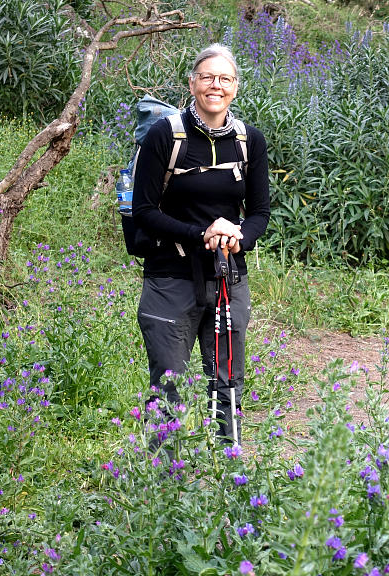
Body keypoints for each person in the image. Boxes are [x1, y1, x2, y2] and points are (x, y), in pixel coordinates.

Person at [132, 43, 270, 446]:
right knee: (168, 384)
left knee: (227, 381)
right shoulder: (166, 136)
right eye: (207, 77)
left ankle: (227, 474)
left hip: (229, 279)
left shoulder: (250, 141)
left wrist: (237, 235)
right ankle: (161, 480)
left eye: (225, 79)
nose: (216, 86)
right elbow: (143, 210)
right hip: (169, 279)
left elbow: (260, 213)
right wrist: (202, 234)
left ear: (236, 88)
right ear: (192, 84)